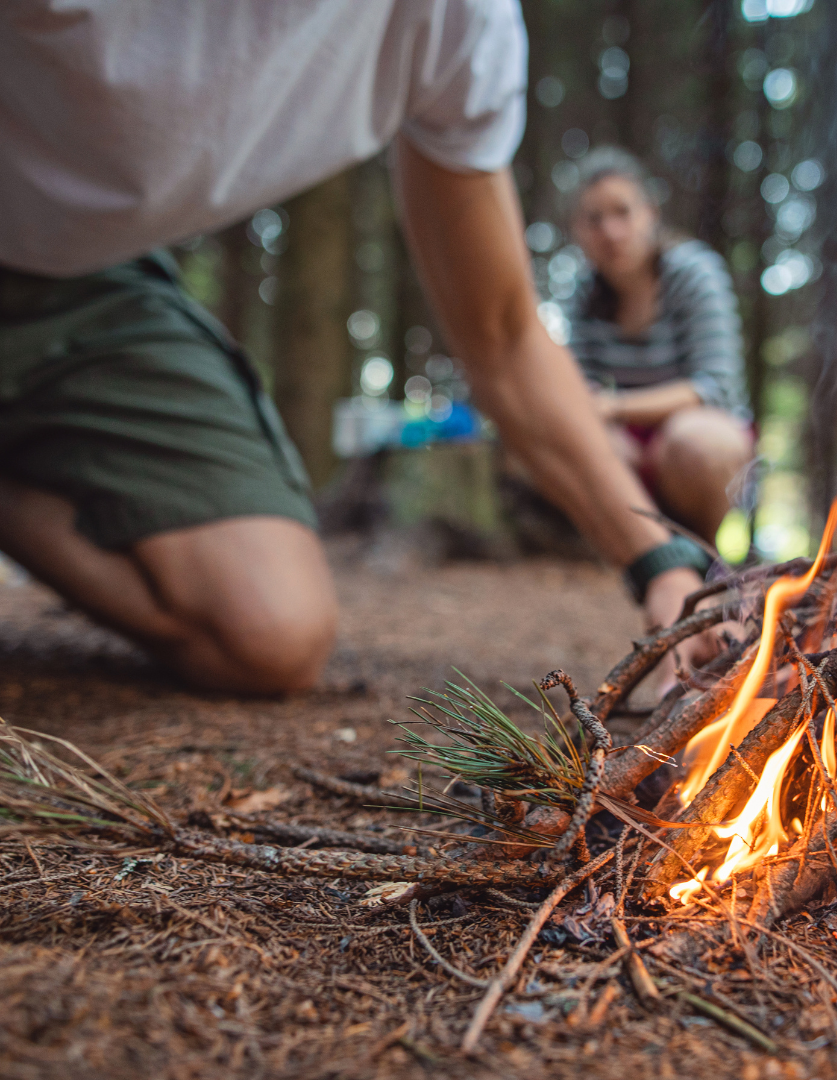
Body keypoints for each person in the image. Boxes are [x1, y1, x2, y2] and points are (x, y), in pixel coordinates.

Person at [0, 1, 716, 695]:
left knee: (268, 628)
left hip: (89, 280)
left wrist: (662, 564)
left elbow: (503, 336)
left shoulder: (454, 22)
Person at [566, 147, 755, 547]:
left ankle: (704, 558)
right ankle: (641, 558)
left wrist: (615, 407)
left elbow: (714, 389)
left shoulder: (693, 273)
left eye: (622, 212)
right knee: (578, 444)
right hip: (631, 447)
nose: (611, 232)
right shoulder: (584, 295)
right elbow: (582, 391)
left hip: (701, 439)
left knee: (696, 443)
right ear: (578, 232)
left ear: (650, 213)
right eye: (594, 219)